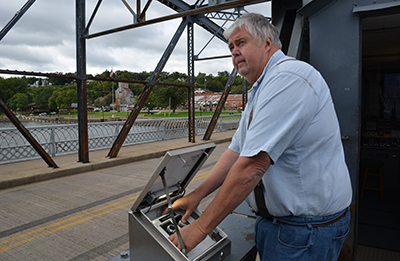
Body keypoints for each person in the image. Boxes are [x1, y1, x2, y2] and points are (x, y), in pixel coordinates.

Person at [167, 13, 352, 260]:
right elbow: (236, 152)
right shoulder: (262, 89)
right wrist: (197, 195)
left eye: (241, 43)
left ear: (267, 42)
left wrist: (199, 229)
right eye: (230, 47)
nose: (233, 51)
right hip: (284, 227)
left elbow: (251, 167)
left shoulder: (289, 78)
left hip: (305, 232)